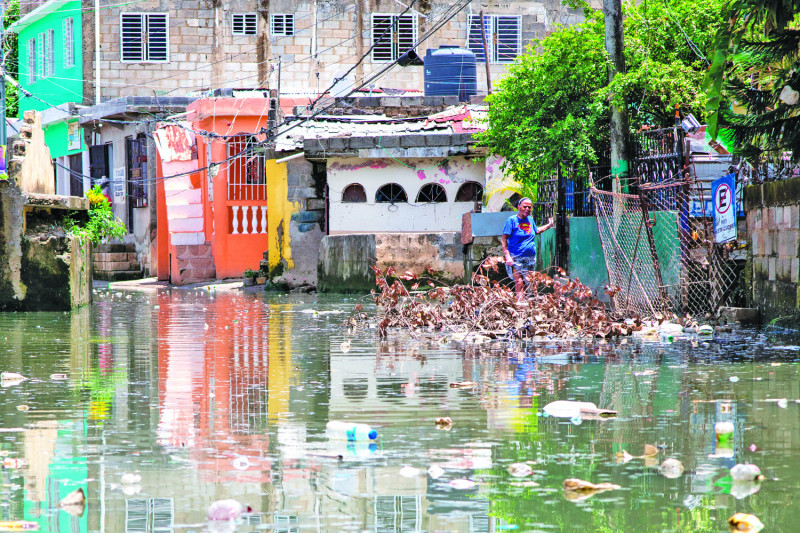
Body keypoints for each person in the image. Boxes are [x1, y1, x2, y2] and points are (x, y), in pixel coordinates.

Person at [500, 197, 553, 299]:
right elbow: (504, 239)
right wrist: (507, 257)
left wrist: (549, 225)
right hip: (516, 257)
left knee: (530, 283)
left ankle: (528, 306)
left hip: (530, 258)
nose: (527, 209)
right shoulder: (511, 221)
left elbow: (536, 231)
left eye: (529, 207)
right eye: (525, 207)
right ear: (518, 207)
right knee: (519, 283)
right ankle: (520, 306)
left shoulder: (530, 219)